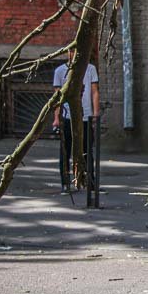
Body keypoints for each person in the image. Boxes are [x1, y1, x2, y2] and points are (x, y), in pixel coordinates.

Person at [52, 49, 100, 194]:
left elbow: (94, 91)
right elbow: (57, 97)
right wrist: (56, 118)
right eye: (72, 51)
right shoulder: (60, 71)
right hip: (67, 117)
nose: (74, 54)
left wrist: (96, 113)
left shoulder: (90, 69)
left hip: (86, 116)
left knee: (87, 151)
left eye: (78, 51)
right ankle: (65, 183)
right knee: (65, 151)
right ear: (68, 52)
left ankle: (90, 182)